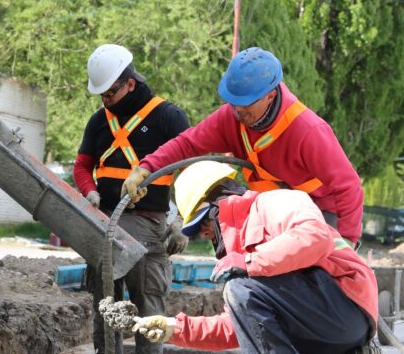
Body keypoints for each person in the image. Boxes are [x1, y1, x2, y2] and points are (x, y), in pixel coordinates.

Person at [132, 161, 385, 354]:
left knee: (239, 290)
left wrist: (248, 262)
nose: (205, 235)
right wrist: (175, 328)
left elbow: (314, 237)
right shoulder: (247, 255)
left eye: (202, 225)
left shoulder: (274, 203)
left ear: (220, 204)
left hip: (345, 301)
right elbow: (247, 326)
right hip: (329, 321)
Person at [122, 47, 364, 246]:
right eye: (233, 101)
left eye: (245, 103)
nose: (237, 110)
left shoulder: (307, 130)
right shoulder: (232, 117)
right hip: (272, 212)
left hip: (319, 212)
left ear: (270, 95)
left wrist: (348, 242)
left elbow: (348, 186)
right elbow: (187, 143)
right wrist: (146, 167)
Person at [73, 43, 190, 354]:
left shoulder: (167, 116)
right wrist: (88, 190)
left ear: (130, 84)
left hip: (149, 222)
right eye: (100, 94)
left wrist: (182, 218)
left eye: (110, 93)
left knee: (147, 300)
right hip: (105, 221)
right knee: (105, 301)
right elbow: (83, 165)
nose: (104, 100)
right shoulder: (99, 121)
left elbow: (190, 171)